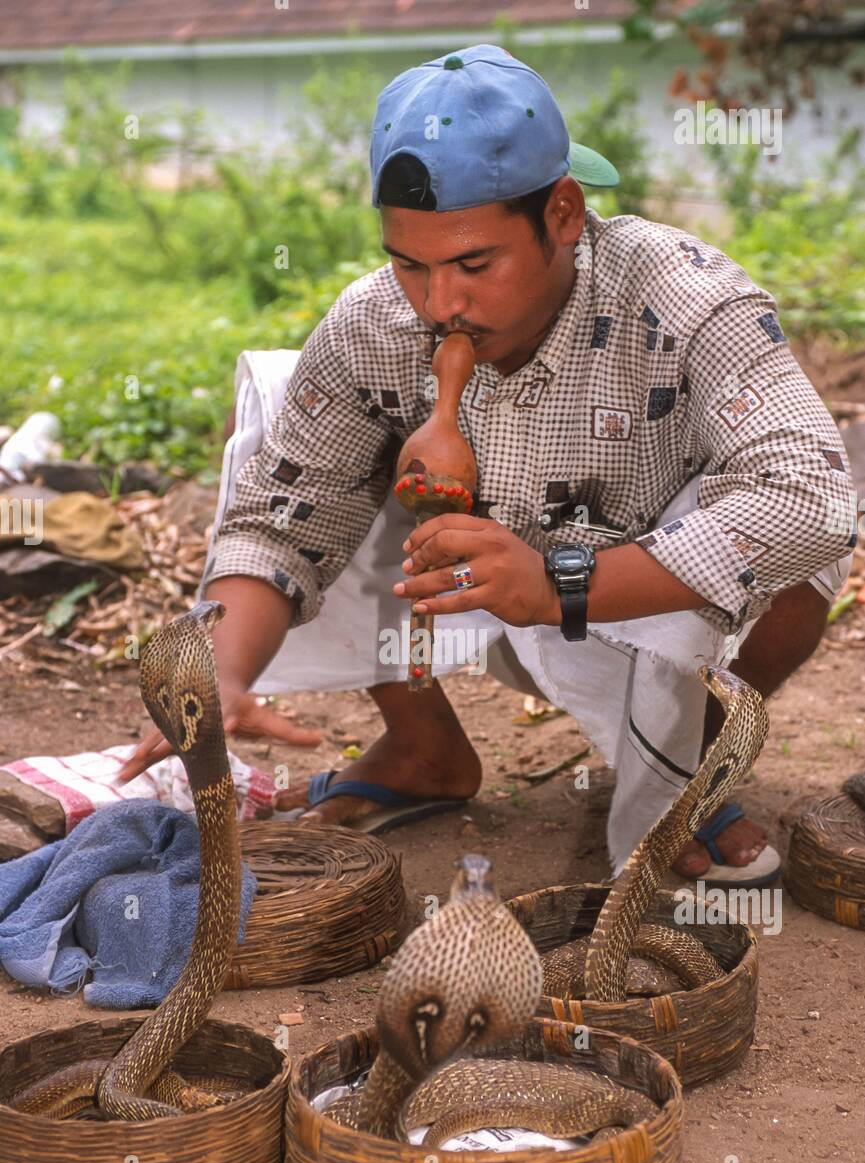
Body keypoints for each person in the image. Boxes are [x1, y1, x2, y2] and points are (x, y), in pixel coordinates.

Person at [119, 44, 857, 887]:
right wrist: (220, 668)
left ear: (565, 215)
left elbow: (811, 501)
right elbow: (284, 512)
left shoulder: (684, 299)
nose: (440, 305)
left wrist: (556, 584)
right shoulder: (374, 326)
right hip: (480, 596)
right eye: (409, 265)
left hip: (641, 595)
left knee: (795, 534)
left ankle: (690, 755)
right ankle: (423, 748)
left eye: (474, 264)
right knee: (286, 408)